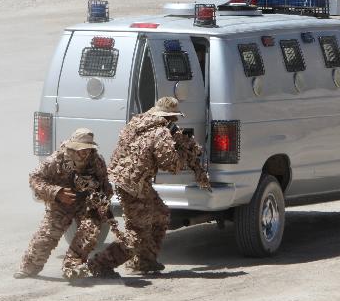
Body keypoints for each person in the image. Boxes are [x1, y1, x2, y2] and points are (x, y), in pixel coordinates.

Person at [87, 97, 211, 275]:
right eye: (173, 118)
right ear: (168, 118)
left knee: (161, 215)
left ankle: (145, 261)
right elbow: (172, 166)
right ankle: (100, 264)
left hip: (128, 180)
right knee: (136, 235)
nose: (175, 122)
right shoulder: (160, 133)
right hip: (134, 186)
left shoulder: (136, 123)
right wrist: (183, 151)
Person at [14, 128, 129, 279]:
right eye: (81, 149)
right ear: (72, 147)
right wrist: (56, 192)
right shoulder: (58, 160)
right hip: (61, 204)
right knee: (46, 236)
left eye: (88, 149)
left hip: (85, 205)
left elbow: (105, 186)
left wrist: (101, 200)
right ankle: (29, 268)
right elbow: (35, 179)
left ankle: (73, 265)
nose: (85, 153)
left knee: (90, 232)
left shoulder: (96, 161)